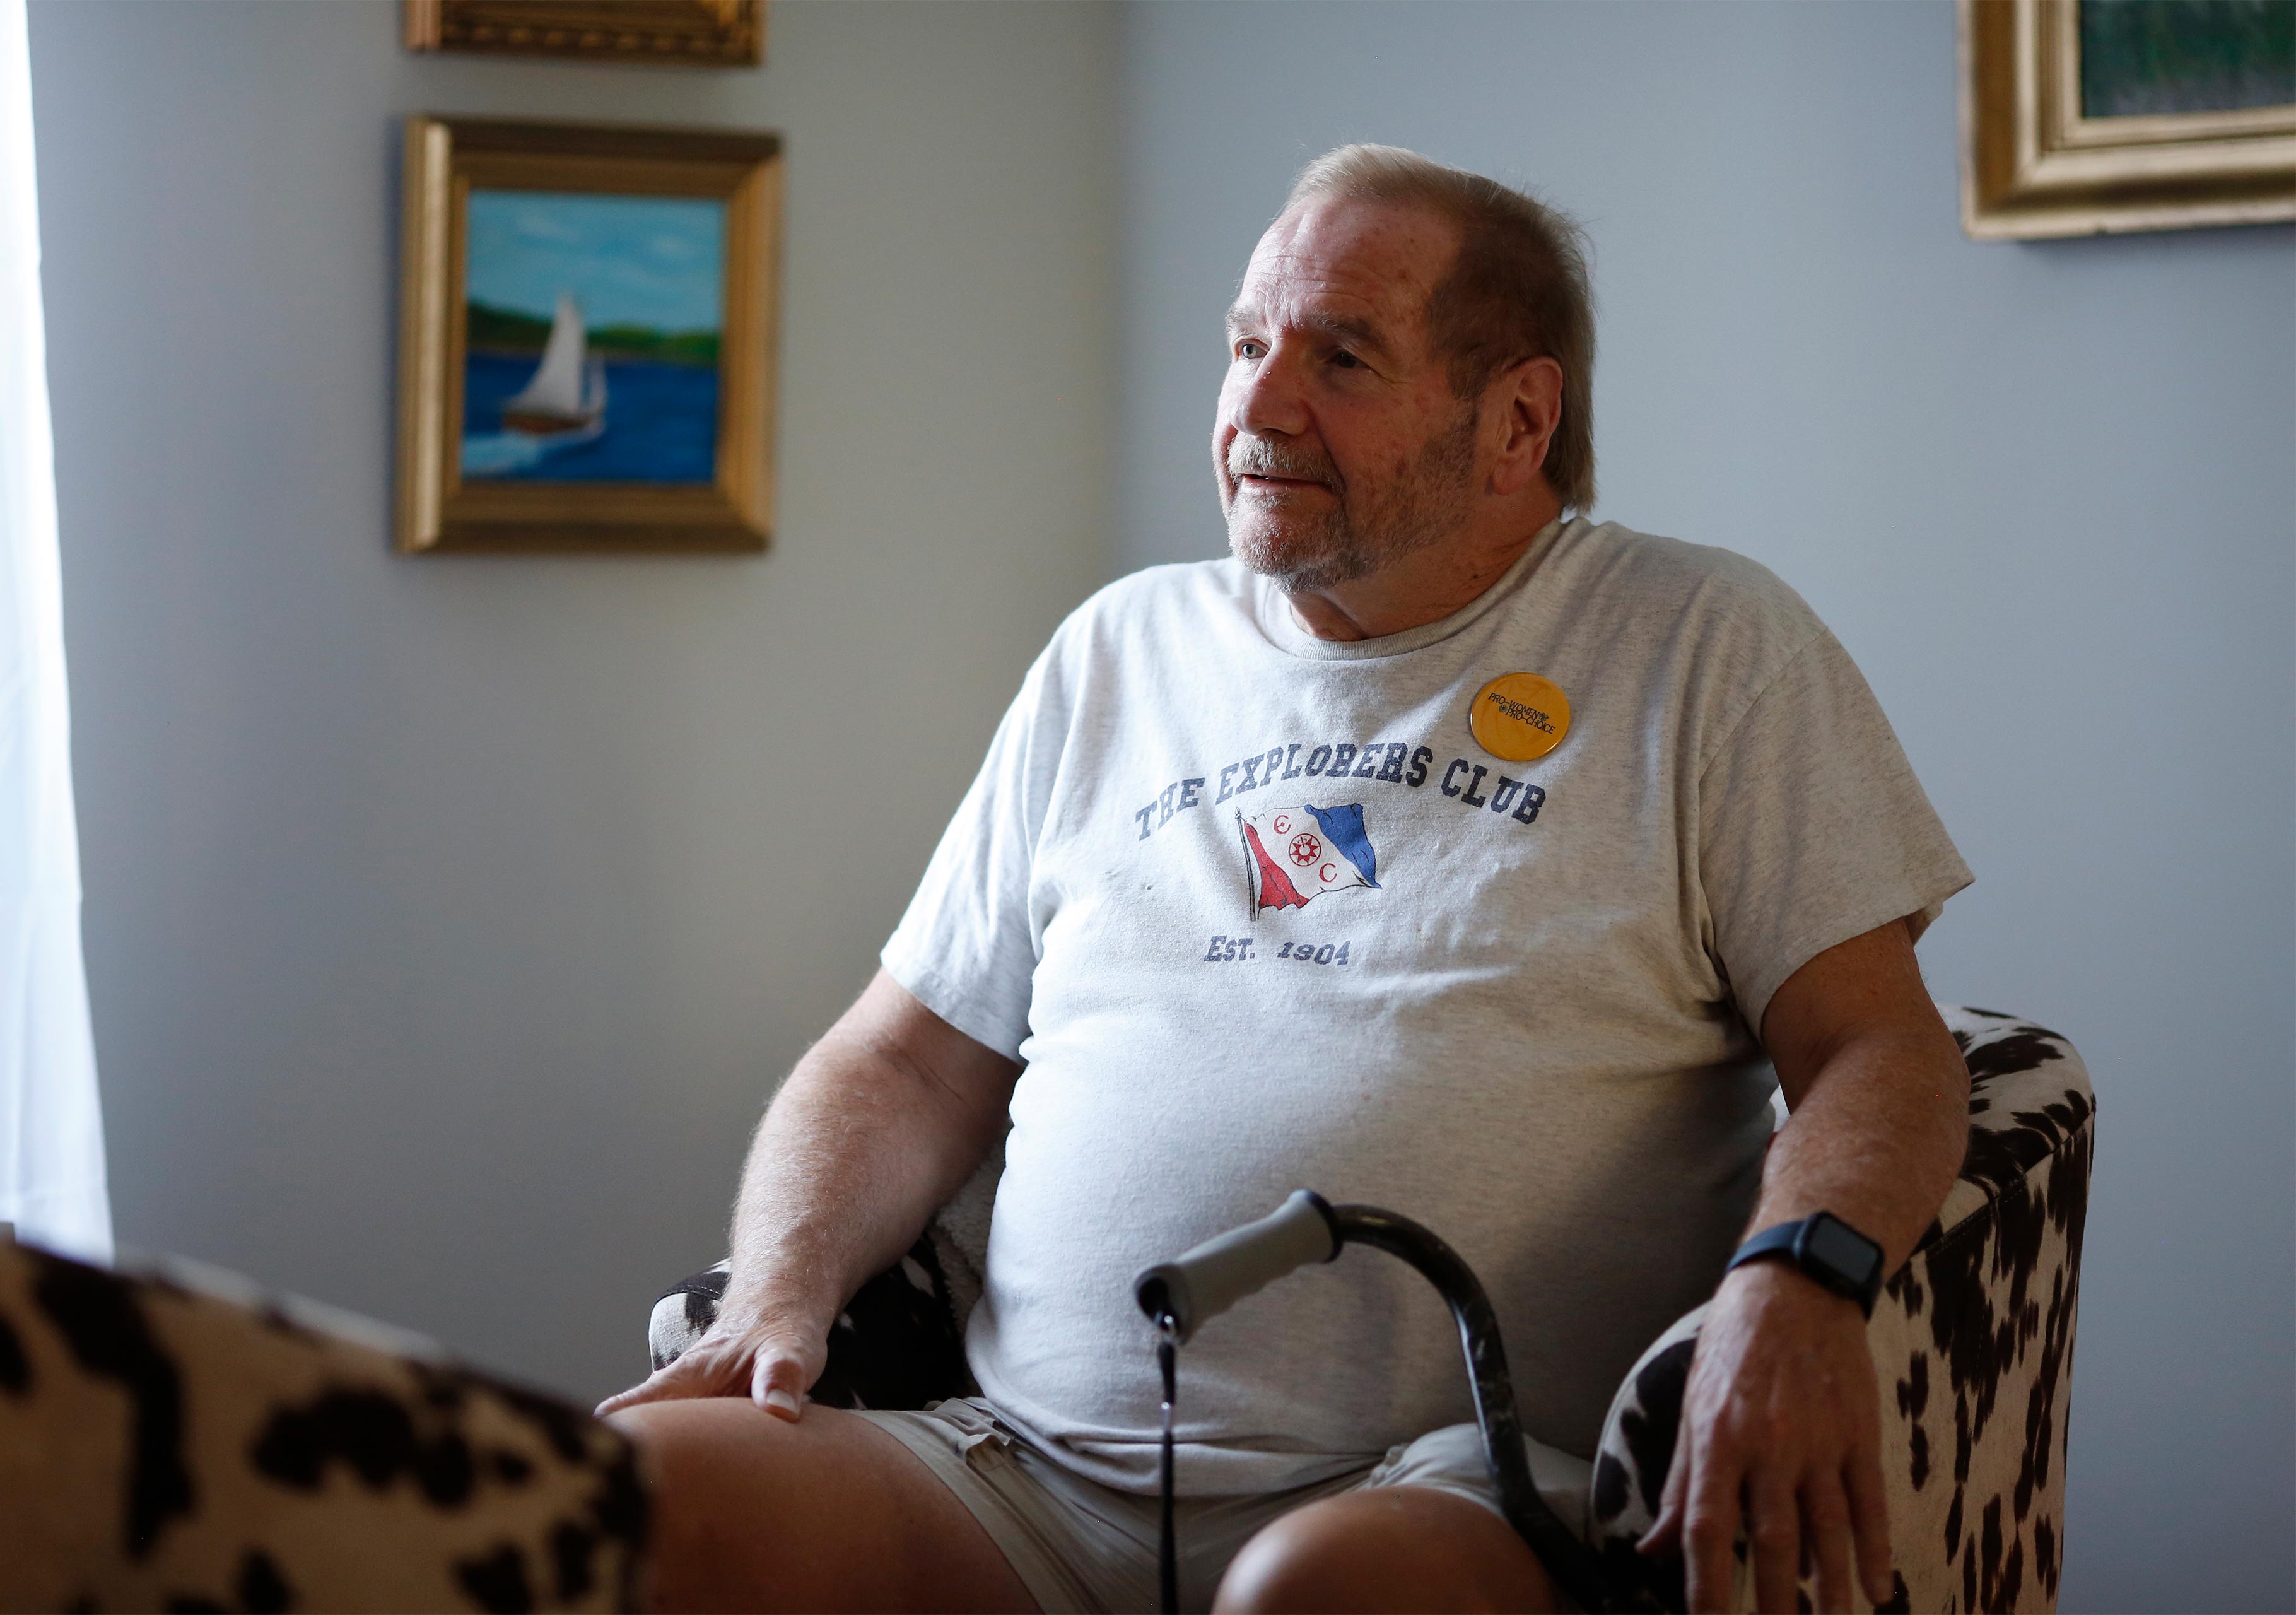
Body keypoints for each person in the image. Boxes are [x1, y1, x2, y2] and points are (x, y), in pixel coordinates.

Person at [598, 144, 1972, 1615]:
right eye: (1247, 344)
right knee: (620, 1501)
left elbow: (1881, 1049)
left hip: (1449, 1491)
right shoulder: (1118, 650)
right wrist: (778, 1293)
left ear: (1518, 420)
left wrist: (1800, 1277)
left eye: (1342, 358)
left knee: (1311, 1589)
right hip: (1024, 1478)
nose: (1258, 405)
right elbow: (907, 1058)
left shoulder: (1703, 645)